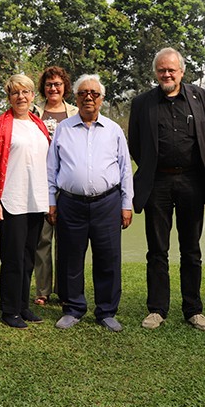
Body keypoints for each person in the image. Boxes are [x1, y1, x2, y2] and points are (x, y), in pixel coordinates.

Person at [128, 47, 205, 331]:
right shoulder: (143, 103)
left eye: (171, 70)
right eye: (161, 70)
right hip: (158, 183)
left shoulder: (201, 97)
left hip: (191, 181)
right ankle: (157, 309)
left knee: (191, 249)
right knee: (157, 250)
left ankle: (193, 309)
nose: (166, 74)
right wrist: (154, 167)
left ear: (182, 71)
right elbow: (136, 144)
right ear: (156, 73)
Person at [47, 74, 134, 332]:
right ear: (75, 97)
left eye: (94, 93)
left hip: (107, 203)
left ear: (101, 99)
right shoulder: (63, 128)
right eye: (83, 93)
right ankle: (73, 308)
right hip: (70, 204)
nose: (88, 97)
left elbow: (125, 169)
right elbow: (52, 168)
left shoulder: (114, 130)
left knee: (108, 258)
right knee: (70, 258)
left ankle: (106, 311)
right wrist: (52, 201)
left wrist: (126, 204)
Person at [0, 74, 51, 329]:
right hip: (11, 200)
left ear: (33, 96)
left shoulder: (38, 125)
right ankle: (9, 309)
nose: (21, 97)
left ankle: (23, 305)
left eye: (26, 92)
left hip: (36, 200)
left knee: (29, 256)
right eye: (15, 93)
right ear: (9, 97)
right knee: (12, 258)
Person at [31, 66, 78, 306]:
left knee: (68, 239)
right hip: (40, 181)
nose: (53, 88)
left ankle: (65, 290)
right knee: (43, 239)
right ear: (43, 88)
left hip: (68, 182)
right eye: (49, 84)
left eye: (58, 84)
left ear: (65, 87)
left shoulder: (75, 112)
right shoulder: (34, 112)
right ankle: (43, 290)